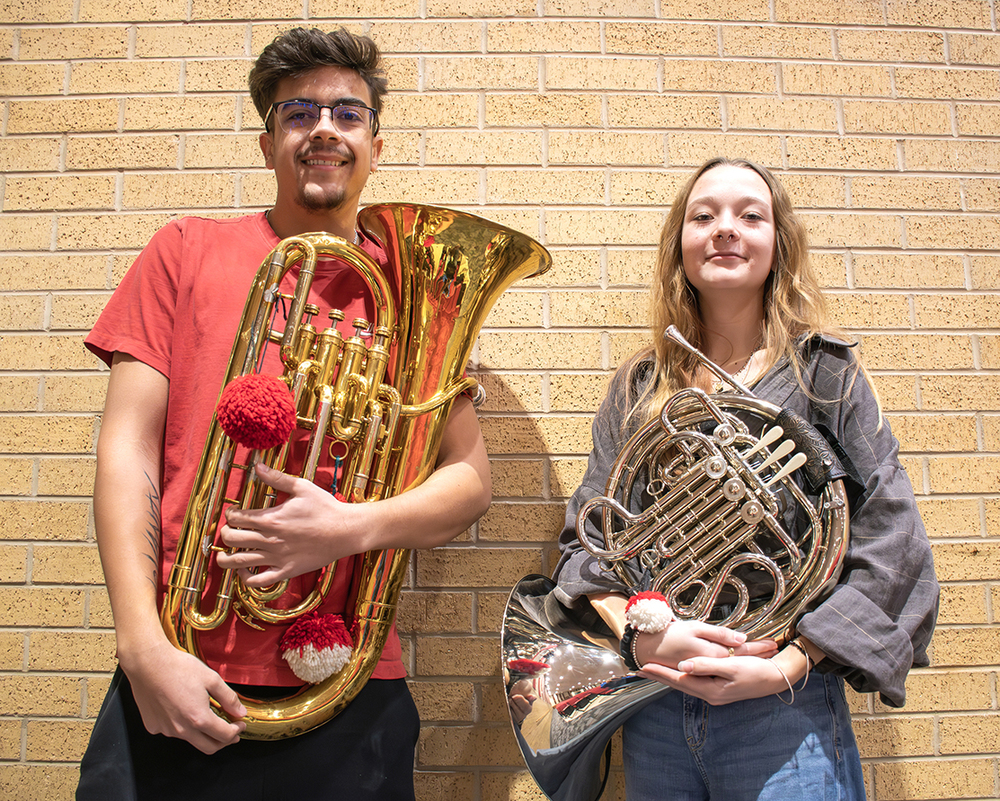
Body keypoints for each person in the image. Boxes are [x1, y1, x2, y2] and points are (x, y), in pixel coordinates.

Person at [76, 27, 491, 801]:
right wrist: (140, 646)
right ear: (268, 144)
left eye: (347, 112)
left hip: (348, 680)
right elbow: (125, 448)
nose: (324, 127)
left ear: (375, 143)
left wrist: (351, 527)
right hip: (179, 663)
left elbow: (468, 481)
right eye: (298, 112)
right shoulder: (183, 249)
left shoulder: (416, 292)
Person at [552, 157, 938, 800]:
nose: (726, 229)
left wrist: (789, 664)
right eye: (704, 216)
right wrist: (641, 638)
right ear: (681, 244)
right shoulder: (640, 387)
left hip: (783, 709)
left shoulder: (826, 376)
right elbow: (589, 542)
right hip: (654, 707)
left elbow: (893, 543)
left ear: (777, 242)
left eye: (750, 216)